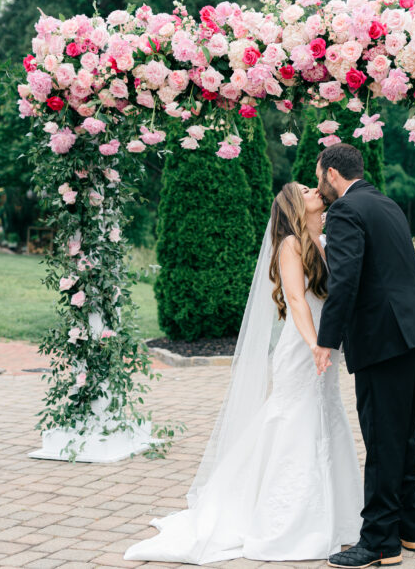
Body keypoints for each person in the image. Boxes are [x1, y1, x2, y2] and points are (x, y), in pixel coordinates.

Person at [124, 183, 363, 564]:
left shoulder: (324, 239)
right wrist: (316, 344)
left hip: (323, 348)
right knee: (295, 424)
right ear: (294, 205)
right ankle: (288, 521)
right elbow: (298, 299)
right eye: (305, 189)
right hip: (303, 348)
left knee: (327, 419)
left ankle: (339, 515)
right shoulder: (290, 244)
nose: (313, 189)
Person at [313, 144, 415, 569]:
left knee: (384, 438)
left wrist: (325, 339)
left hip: (382, 337)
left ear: (332, 173)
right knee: (403, 431)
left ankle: (380, 544)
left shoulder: (347, 211)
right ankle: (410, 527)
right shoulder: (386, 204)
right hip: (412, 329)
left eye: (319, 176)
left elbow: (344, 281)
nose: (319, 185)